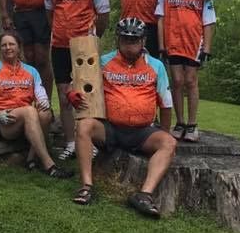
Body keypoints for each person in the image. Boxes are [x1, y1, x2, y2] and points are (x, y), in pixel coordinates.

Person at [67, 18, 176, 217]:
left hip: (142, 131)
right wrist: (73, 95)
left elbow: (166, 104)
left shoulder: (156, 66)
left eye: (134, 41)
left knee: (168, 142)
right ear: (118, 40)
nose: (129, 45)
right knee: (83, 127)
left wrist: (164, 130)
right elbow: (77, 82)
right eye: (125, 40)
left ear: (143, 42)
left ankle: (144, 194)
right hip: (110, 128)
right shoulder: (103, 61)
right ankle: (86, 186)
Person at [43, 0, 110, 160]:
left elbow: (103, 16)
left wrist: (92, 38)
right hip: (60, 45)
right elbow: (50, 14)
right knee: (64, 95)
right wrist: (60, 31)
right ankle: (70, 142)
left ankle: (89, 141)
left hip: (85, 45)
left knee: (86, 95)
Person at [0, 31, 73, 180]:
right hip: (2, 121)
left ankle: (31, 158)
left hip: (27, 120)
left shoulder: (31, 71)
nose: (8, 48)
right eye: (4, 45)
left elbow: (42, 97)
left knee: (45, 113)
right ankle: (49, 165)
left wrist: (43, 103)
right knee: (29, 111)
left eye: (11, 44)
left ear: (19, 47)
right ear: (0, 49)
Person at [155, 0, 216, 142]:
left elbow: (209, 20)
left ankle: (192, 123)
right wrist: (162, 45)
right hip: (173, 42)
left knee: (191, 81)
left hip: (193, 42)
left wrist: (207, 48)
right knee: (177, 82)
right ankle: (179, 122)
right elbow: (161, 19)